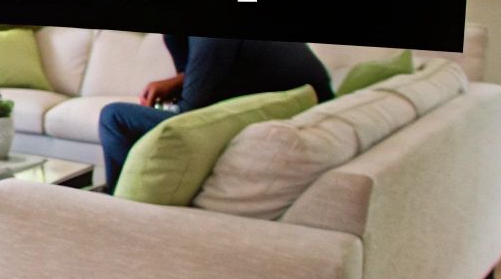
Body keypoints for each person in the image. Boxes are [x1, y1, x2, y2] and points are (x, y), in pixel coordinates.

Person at [98, 35, 334, 193]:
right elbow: (211, 72)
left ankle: (121, 203)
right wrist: (178, 81)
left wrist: (185, 90)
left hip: (271, 117)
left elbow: (188, 116)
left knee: (115, 118)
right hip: (273, 106)